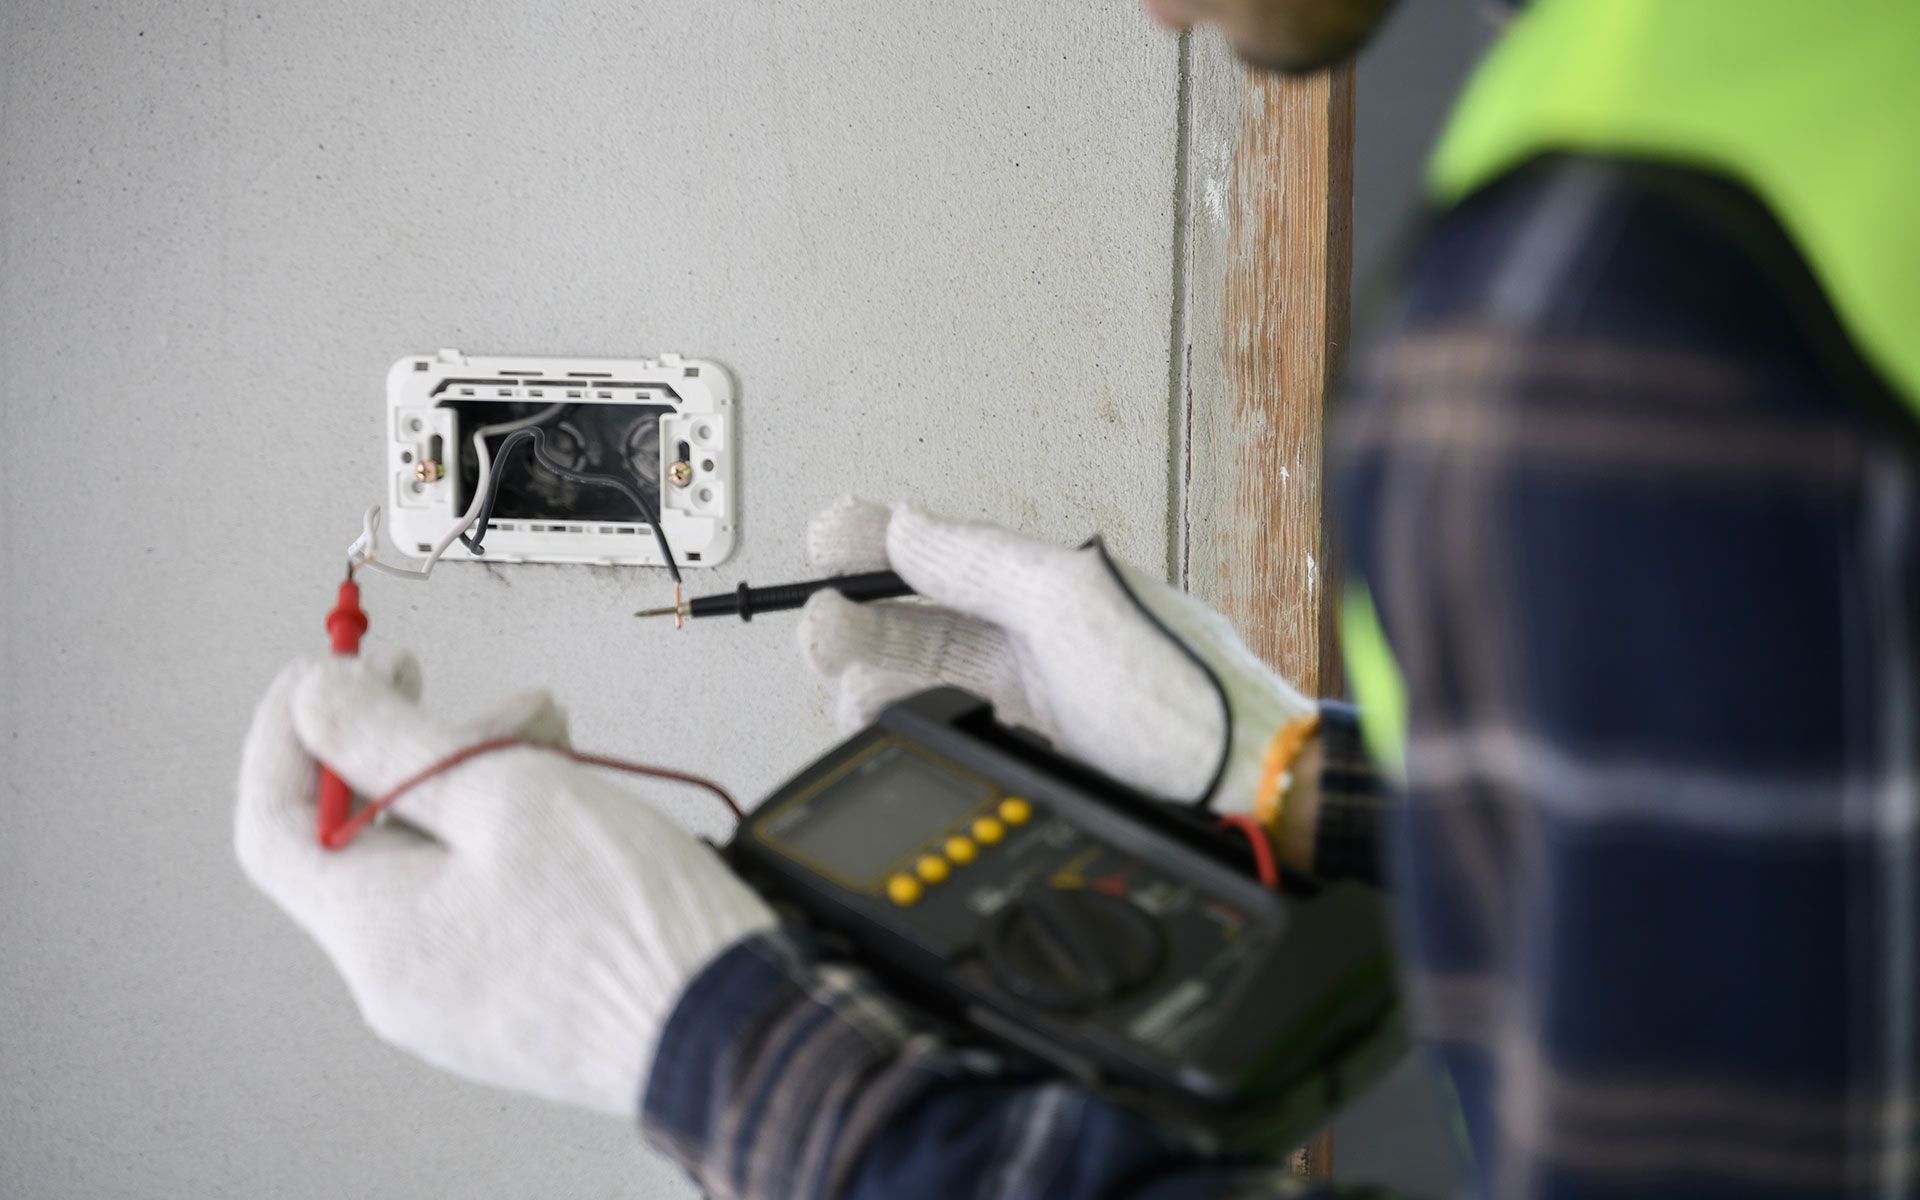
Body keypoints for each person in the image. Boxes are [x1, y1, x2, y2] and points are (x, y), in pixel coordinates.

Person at [237, 0, 1920, 1196]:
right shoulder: (1766, 74)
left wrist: (712, 1040)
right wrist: (1269, 777)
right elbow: (1822, 864)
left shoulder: (1588, 307)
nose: (1150, 11)